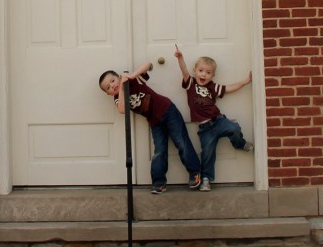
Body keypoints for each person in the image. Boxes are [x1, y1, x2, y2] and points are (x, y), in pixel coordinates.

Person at [99, 62, 202, 193]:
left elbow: (148, 64)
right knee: (159, 151)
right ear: (108, 93)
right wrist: (121, 89)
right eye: (108, 87)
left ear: (119, 77)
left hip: (168, 111)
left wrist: (130, 76)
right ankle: (159, 182)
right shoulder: (117, 97)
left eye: (113, 81)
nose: (112, 85)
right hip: (154, 121)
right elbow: (122, 110)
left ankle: (195, 172)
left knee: (181, 142)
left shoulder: (134, 81)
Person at [174, 45, 253, 190]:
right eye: (201, 71)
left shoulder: (212, 86)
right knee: (208, 153)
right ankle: (205, 179)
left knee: (234, 128)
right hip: (205, 129)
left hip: (218, 120)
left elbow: (228, 88)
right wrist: (180, 58)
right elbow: (184, 71)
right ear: (195, 71)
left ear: (213, 76)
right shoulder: (190, 83)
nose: (204, 75)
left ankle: (239, 144)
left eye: (208, 72)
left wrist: (244, 82)